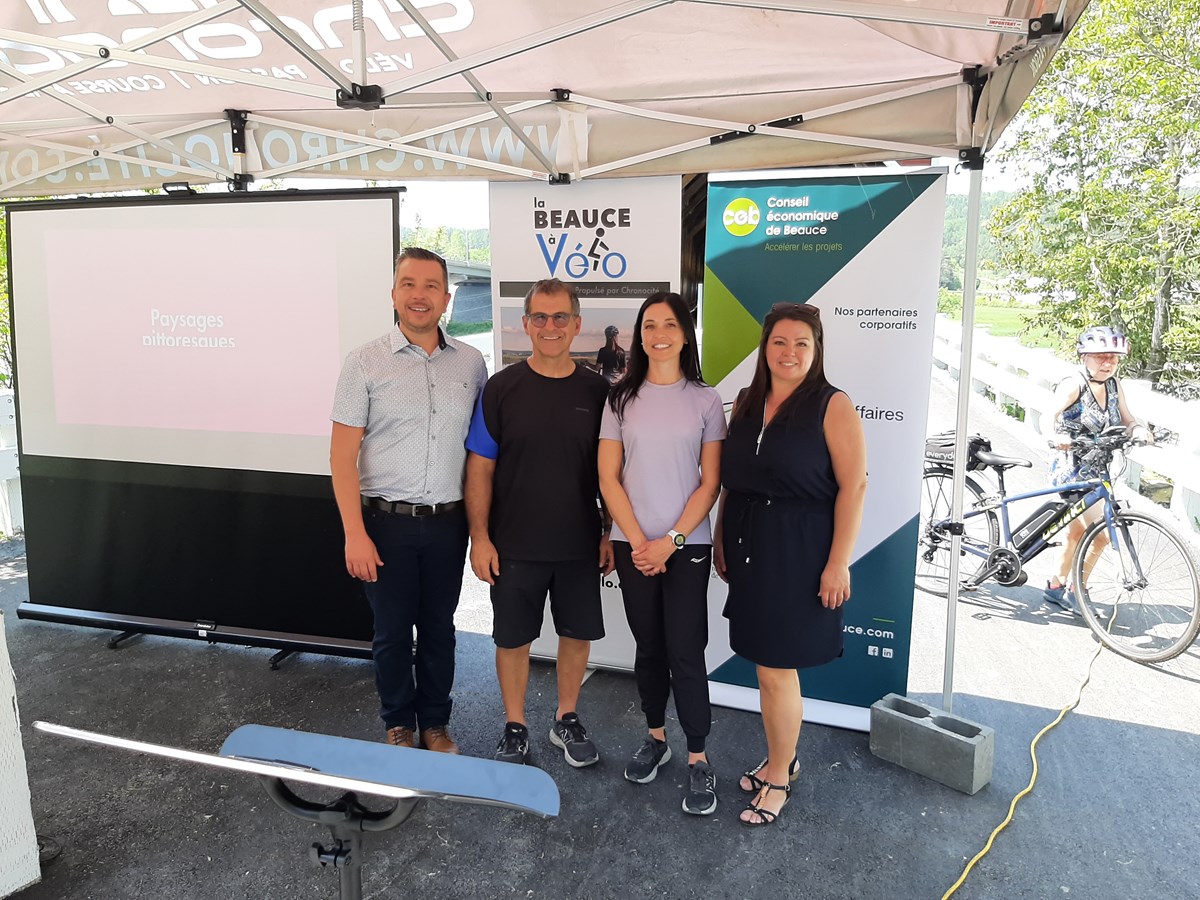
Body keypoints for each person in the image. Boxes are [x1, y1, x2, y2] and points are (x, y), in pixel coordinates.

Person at [713, 302, 867, 827]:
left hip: (802, 551)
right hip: (750, 543)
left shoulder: (833, 404)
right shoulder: (746, 400)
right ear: (765, 347)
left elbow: (854, 487)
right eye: (780, 341)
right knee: (765, 664)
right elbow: (733, 481)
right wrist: (719, 537)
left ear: (817, 350)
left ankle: (780, 774)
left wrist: (838, 563)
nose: (790, 352)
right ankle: (784, 756)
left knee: (778, 670)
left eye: (802, 343)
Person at [330, 247, 487, 752]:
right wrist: (354, 533)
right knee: (393, 633)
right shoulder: (364, 362)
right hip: (384, 526)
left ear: (447, 296)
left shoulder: (471, 362)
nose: (420, 296)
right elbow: (341, 458)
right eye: (409, 284)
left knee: (440, 630)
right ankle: (398, 722)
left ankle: (436, 724)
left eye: (431, 286)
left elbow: (482, 452)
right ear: (393, 293)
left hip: (448, 523)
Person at [465, 278, 614, 768]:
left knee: (577, 635)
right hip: (513, 544)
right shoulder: (501, 389)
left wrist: (609, 531)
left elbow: (611, 472)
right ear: (525, 324)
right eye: (540, 318)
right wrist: (480, 538)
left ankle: (565, 719)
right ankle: (515, 726)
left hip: (578, 543)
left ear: (577, 325)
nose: (550, 327)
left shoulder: (599, 392)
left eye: (560, 318)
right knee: (512, 639)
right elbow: (480, 468)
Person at [597, 292, 726, 815]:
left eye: (669, 324)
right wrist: (637, 541)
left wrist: (669, 541)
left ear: (685, 333)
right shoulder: (620, 399)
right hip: (635, 548)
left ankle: (698, 757)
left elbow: (710, 482)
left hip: (686, 547)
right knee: (648, 648)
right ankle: (656, 738)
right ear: (638, 334)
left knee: (686, 652)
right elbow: (608, 476)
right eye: (649, 325)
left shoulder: (706, 400)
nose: (658, 333)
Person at [1043, 325, 1151, 612]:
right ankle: (1077, 589)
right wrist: (1055, 436)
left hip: (1099, 470)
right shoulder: (1073, 384)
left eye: (1112, 359)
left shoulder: (1114, 385)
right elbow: (1048, 415)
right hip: (1070, 469)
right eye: (1100, 357)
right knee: (1101, 533)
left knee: (1076, 534)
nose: (1107, 364)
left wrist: (1138, 428)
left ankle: (1055, 585)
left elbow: (1128, 417)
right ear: (1084, 357)